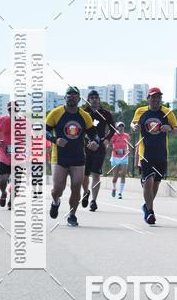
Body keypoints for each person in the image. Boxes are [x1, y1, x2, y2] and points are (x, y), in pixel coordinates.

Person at [46, 87, 99, 227]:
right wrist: (54, 140)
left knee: (76, 186)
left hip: (78, 157)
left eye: (75, 95)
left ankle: (72, 214)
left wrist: (94, 142)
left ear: (79, 99)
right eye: (69, 95)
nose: (72, 97)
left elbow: (94, 134)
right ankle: (55, 201)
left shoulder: (84, 116)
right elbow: (44, 131)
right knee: (58, 189)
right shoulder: (55, 113)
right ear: (65, 98)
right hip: (59, 157)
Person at [131, 88, 177, 224]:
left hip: (161, 153)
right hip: (145, 153)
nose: (156, 100)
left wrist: (170, 128)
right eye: (153, 97)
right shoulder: (140, 111)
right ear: (148, 98)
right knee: (149, 180)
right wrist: (134, 127)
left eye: (158, 97)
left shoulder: (167, 112)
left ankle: (147, 206)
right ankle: (150, 212)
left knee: (156, 183)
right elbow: (133, 124)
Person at [81, 90, 116, 212]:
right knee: (84, 174)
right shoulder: (84, 112)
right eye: (92, 97)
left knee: (96, 173)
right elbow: (79, 129)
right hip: (85, 146)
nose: (94, 99)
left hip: (100, 146)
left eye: (96, 97)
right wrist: (86, 140)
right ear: (88, 100)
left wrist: (107, 140)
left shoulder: (105, 113)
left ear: (99, 99)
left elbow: (112, 129)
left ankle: (94, 201)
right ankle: (86, 193)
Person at [0, 104, 13, 208]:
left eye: (15, 109)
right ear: (8, 110)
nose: (13, 111)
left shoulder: (24, 122)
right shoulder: (2, 120)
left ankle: (12, 199)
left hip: (18, 156)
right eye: (10, 109)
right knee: (2, 180)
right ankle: (4, 193)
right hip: (3, 156)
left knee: (16, 180)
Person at [109, 122, 131, 199]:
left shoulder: (127, 135)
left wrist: (127, 150)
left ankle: (120, 193)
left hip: (124, 157)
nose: (121, 127)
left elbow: (128, 144)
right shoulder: (114, 135)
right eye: (119, 126)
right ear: (117, 127)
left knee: (123, 174)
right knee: (115, 176)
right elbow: (110, 144)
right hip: (115, 157)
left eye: (122, 126)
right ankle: (114, 188)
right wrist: (116, 150)